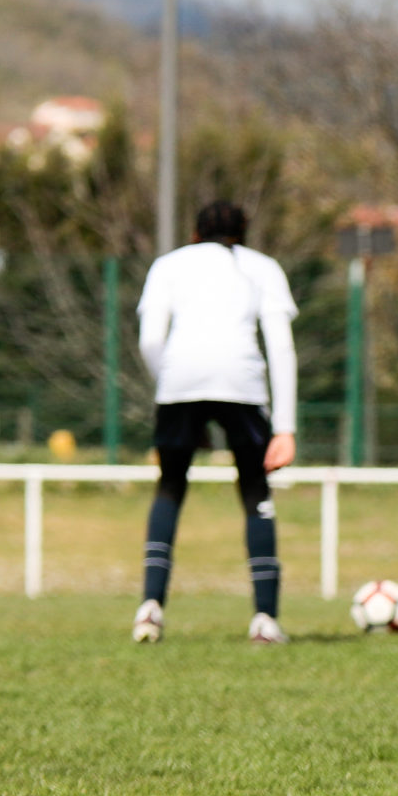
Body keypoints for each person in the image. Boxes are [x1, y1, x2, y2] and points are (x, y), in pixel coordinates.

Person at [131, 199, 298, 645]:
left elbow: (150, 341)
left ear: (194, 233)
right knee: (255, 491)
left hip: (179, 381)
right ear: (244, 234)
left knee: (170, 487)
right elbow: (281, 347)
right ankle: (265, 618)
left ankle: (150, 608)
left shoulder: (168, 265)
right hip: (242, 383)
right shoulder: (262, 267)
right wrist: (285, 428)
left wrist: (169, 385)